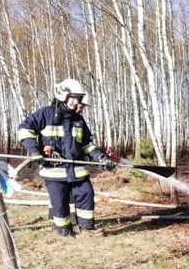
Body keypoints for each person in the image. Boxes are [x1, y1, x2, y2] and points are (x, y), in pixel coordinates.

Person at [17, 78, 115, 237]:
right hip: (54, 172)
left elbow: (86, 145)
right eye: (74, 97)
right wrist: (34, 151)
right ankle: (63, 230)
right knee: (59, 202)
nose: (76, 102)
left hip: (78, 171)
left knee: (86, 195)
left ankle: (87, 227)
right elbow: (24, 129)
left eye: (79, 99)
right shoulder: (45, 113)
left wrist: (101, 158)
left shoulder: (79, 120)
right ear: (63, 95)